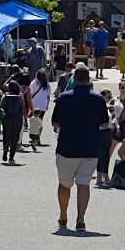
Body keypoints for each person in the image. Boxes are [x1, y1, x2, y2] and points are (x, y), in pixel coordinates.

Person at [50, 65, 107, 231]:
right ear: (89, 79)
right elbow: (104, 122)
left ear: (74, 79)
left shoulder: (64, 98)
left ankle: (63, 215)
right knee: (84, 184)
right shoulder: (98, 99)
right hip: (90, 147)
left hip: (67, 147)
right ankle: (81, 219)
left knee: (64, 184)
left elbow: (55, 122)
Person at [0, 78, 27, 164]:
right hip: (17, 118)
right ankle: (11, 157)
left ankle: (5, 150)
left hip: (7, 117)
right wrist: (26, 119)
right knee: (15, 137)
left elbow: (0, 105)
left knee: (6, 135)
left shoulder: (5, 95)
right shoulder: (20, 96)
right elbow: (23, 108)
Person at [26, 71, 51, 151]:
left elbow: (30, 94)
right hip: (42, 106)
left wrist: (29, 104)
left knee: (33, 122)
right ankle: (37, 137)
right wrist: (47, 105)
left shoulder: (34, 83)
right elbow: (48, 96)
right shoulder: (47, 84)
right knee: (39, 123)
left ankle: (33, 137)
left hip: (34, 105)